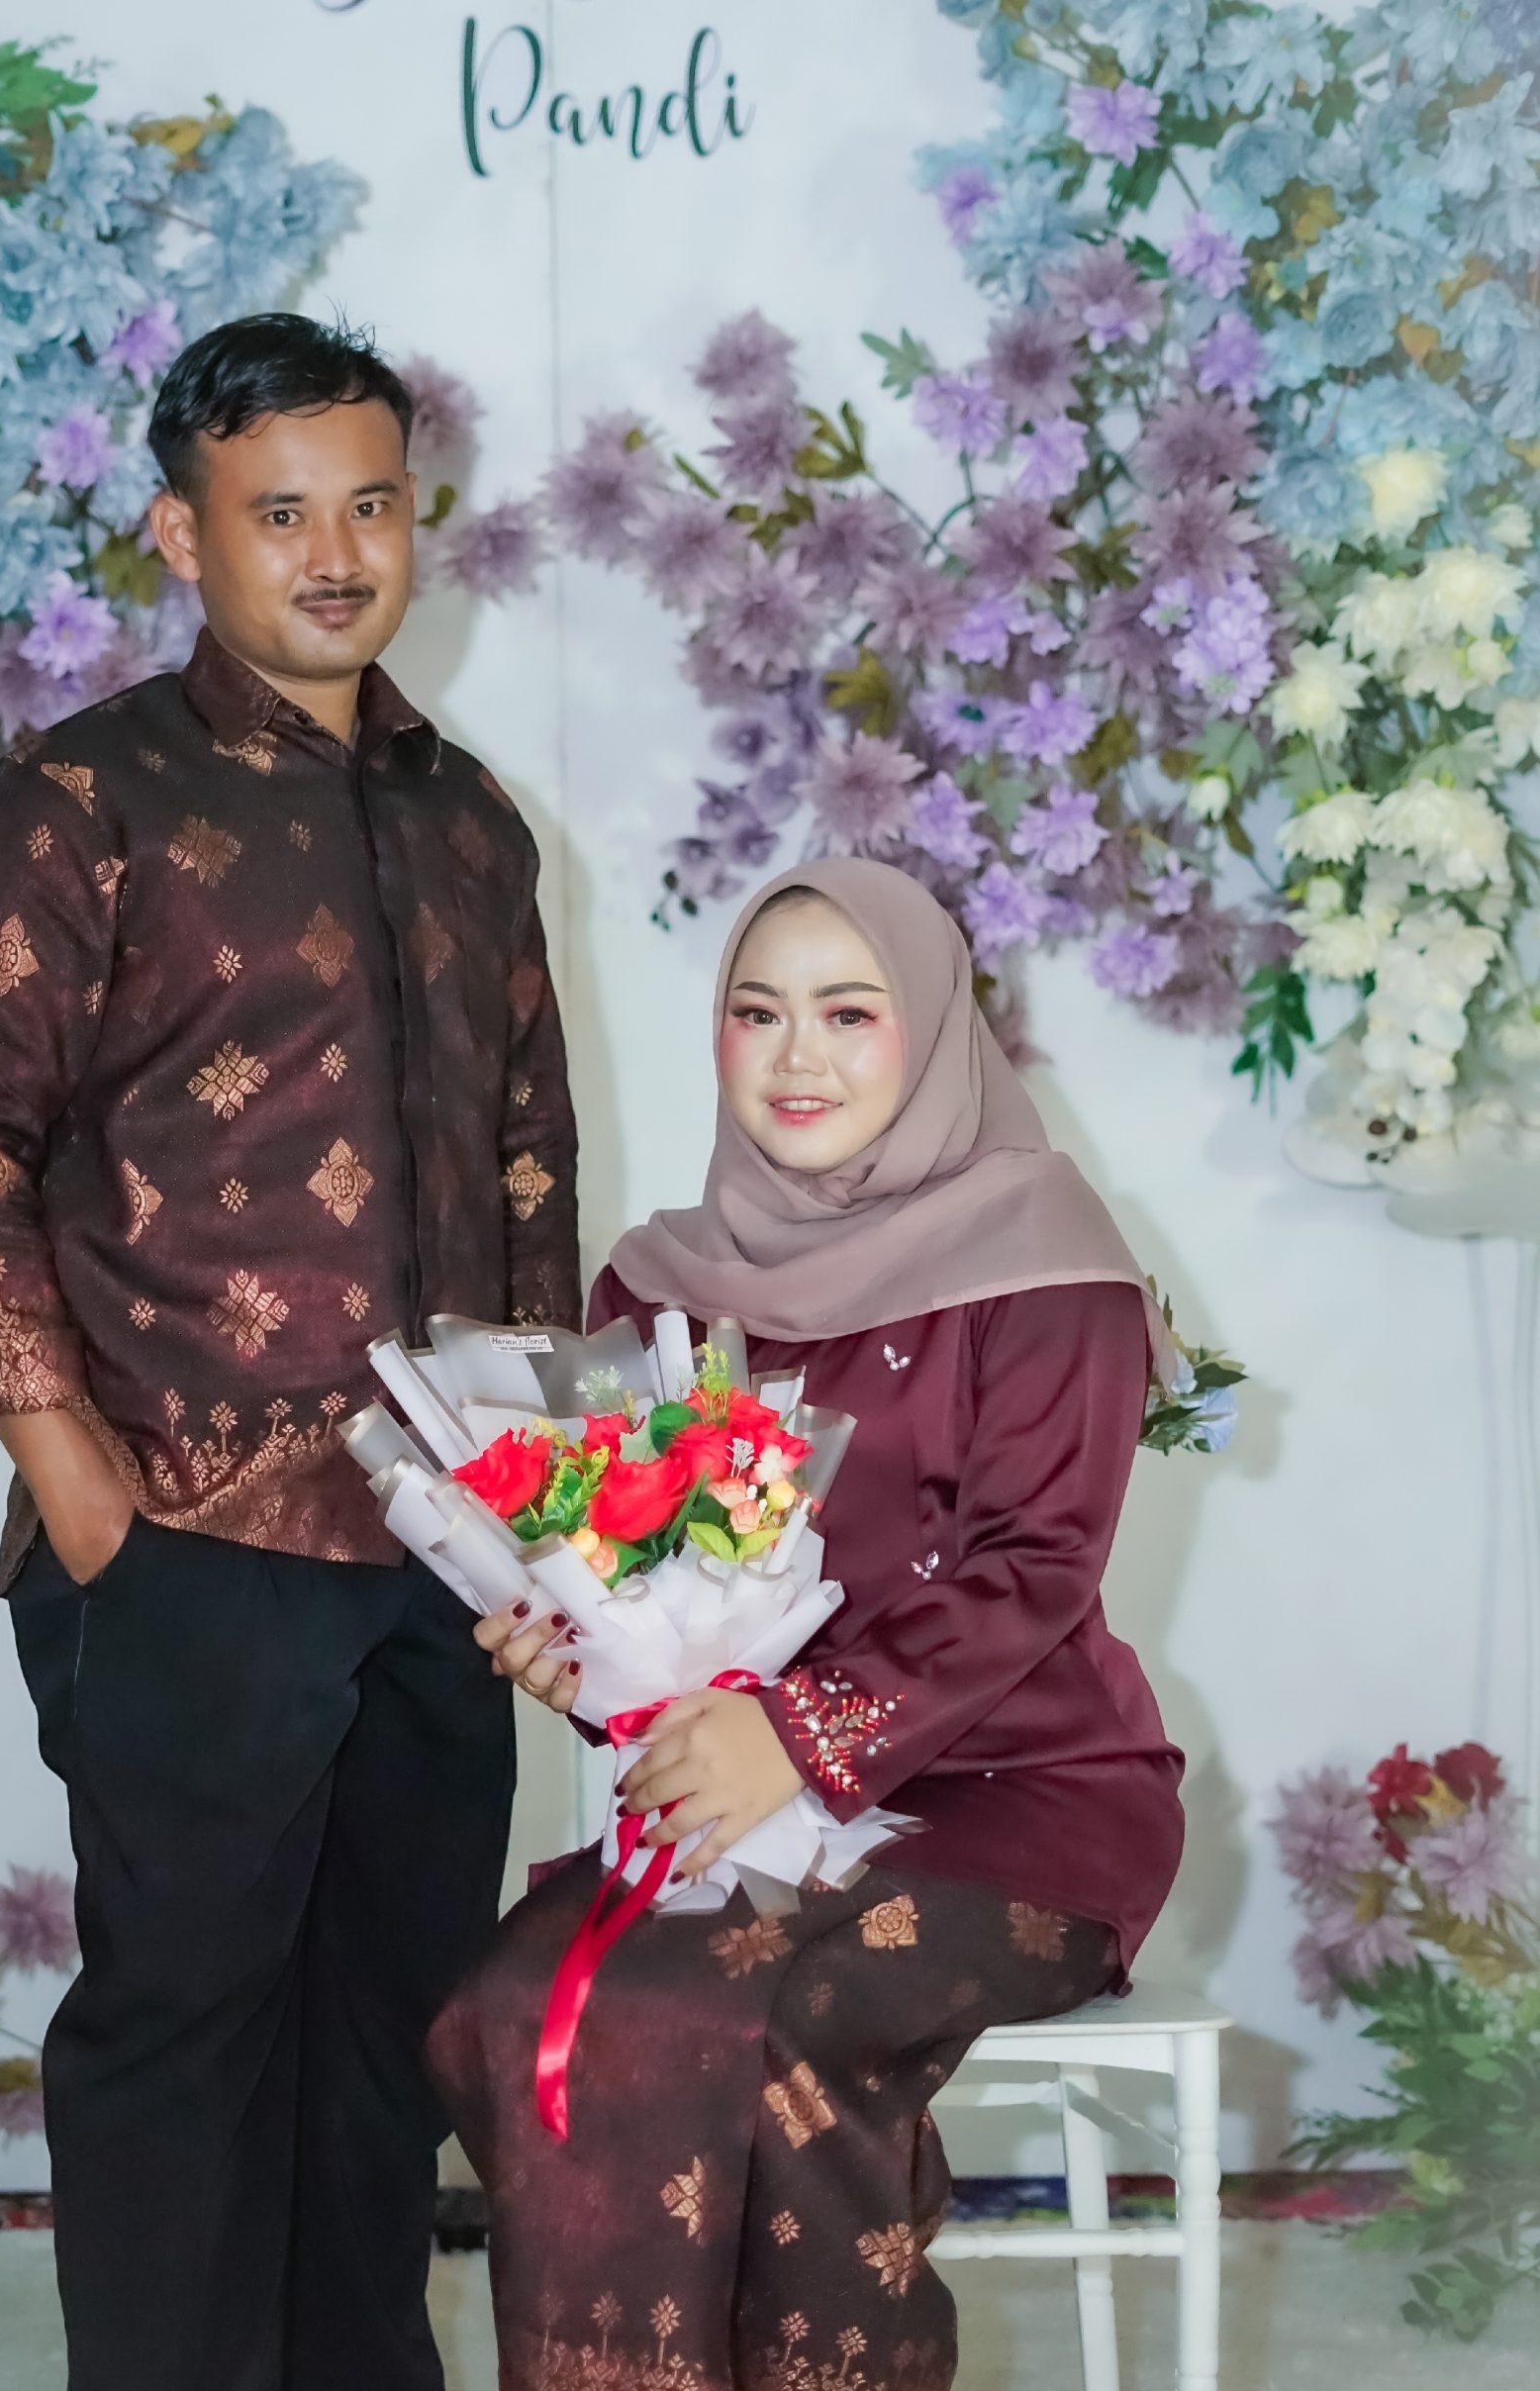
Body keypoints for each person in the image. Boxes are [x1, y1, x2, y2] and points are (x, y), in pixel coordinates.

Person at [0, 313, 580, 2391]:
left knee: (392, 2044)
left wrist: (536, 1508)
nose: (337, 554)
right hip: (184, 1532)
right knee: (183, 2043)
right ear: (184, 537)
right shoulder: (81, 798)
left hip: (436, 1552)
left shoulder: (472, 821)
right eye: (281, 514)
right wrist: (87, 1496)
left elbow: (527, 1169)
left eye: (371, 506)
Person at [431, 858, 1184, 2391]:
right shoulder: (657, 1290)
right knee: (508, 2003)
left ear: (936, 1033)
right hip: (747, 1812)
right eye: (758, 1013)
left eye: (850, 1014)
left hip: (1023, 1806)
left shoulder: (1048, 1258)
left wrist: (796, 1734)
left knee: (773, 2017)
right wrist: (568, 1653)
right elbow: (649, 1599)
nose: (797, 1056)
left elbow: (1036, 1566)